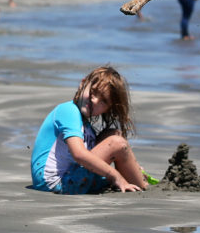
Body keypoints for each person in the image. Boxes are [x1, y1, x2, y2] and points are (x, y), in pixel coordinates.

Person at [29, 66, 147, 194]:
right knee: (117, 143)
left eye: (103, 101)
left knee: (113, 134)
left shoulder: (85, 125)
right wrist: (115, 176)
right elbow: (79, 154)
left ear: (107, 109)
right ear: (82, 84)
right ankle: (142, 185)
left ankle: (135, 175)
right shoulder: (69, 110)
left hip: (70, 177)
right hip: (55, 183)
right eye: (94, 91)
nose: (95, 100)